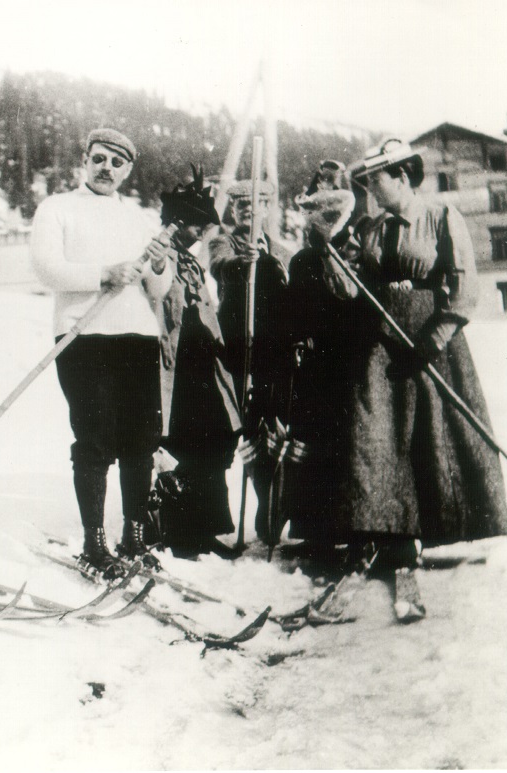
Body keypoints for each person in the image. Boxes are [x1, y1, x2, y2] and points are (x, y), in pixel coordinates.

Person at [330, 138, 507, 620]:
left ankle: (418, 536)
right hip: (379, 345)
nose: (370, 190)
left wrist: (436, 339)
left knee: (427, 439)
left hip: (428, 343)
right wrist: (334, 255)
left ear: (403, 177)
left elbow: (465, 283)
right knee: (374, 438)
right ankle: (378, 535)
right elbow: (351, 290)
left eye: (377, 181)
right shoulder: (368, 227)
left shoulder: (440, 216)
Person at [30, 128, 173, 579]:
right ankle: (94, 541)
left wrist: (158, 264)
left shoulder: (140, 220)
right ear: (85, 160)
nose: (105, 168)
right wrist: (102, 273)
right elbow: (47, 269)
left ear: (127, 170)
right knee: (94, 437)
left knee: (139, 439)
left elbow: (159, 289)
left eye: (116, 162)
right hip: (83, 335)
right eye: (98, 159)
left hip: (137, 336)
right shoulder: (58, 209)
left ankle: (133, 533)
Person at [154, 169, 243, 558]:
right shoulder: (158, 257)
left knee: (215, 440)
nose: (197, 235)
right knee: (183, 446)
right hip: (175, 369)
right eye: (193, 227)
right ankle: (181, 533)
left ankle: (207, 528)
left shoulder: (190, 264)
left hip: (206, 367)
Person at [280, 162, 363, 553]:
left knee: (348, 438)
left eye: (333, 183)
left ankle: (352, 523)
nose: (325, 187)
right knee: (314, 439)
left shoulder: (353, 248)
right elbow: (296, 313)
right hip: (316, 362)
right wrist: (299, 338)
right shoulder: (301, 261)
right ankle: (315, 526)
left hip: (351, 358)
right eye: (320, 182)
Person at [209, 178, 292, 544]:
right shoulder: (223, 242)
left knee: (277, 424)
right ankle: (263, 499)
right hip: (238, 348)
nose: (248, 211)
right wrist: (245, 262)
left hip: (275, 349)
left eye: (256, 204)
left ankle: (276, 500)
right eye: (241, 205)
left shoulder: (283, 250)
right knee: (249, 426)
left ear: (269, 207)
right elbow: (220, 267)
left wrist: (271, 261)